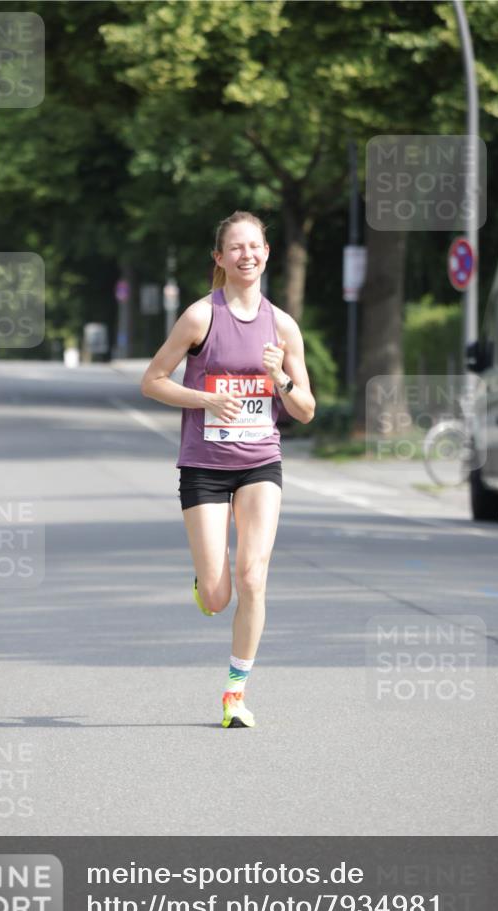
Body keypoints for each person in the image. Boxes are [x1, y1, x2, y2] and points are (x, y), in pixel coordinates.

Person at [141, 210, 315, 728]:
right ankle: (206, 580)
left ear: (267, 253)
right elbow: (152, 380)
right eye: (236, 248)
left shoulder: (282, 326)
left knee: (253, 577)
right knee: (219, 596)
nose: (247, 255)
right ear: (220, 258)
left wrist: (280, 377)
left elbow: (305, 409)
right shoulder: (201, 317)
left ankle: (235, 694)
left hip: (261, 462)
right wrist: (204, 400)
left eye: (255, 246)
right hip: (205, 466)